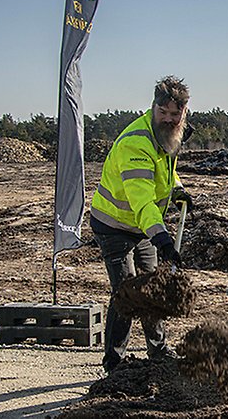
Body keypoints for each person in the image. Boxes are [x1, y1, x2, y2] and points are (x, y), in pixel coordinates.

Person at [90, 75, 195, 373]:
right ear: (153, 107)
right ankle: (115, 362)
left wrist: (177, 189)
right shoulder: (136, 143)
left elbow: (164, 169)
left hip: (143, 226)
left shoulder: (170, 134)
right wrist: (162, 239)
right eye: (163, 113)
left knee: (153, 283)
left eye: (175, 114)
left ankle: (158, 351)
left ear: (184, 112)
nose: (169, 119)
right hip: (114, 224)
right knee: (127, 292)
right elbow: (142, 202)